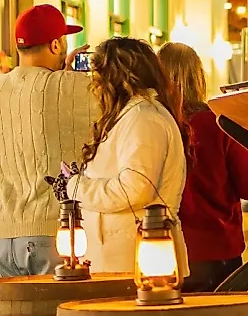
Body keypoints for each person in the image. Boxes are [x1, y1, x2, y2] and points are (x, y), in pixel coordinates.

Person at [0, 4, 96, 278]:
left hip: (4, 235)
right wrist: (74, 76)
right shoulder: (68, 86)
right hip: (50, 231)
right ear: (56, 45)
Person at [67, 38, 189, 277]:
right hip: (120, 256)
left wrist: (77, 186)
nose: (95, 84)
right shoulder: (131, 115)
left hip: (133, 259)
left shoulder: (143, 118)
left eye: (98, 74)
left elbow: (135, 188)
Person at [158, 42, 248, 292]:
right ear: (199, 77)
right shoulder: (220, 123)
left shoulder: (149, 121)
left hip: (161, 248)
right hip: (216, 248)